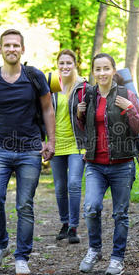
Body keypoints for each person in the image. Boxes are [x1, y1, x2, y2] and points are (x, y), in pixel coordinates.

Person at [0, 29, 55, 275]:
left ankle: (22, 256)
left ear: (22, 49)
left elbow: (48, 109)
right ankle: (0, 245)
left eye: (16, 45)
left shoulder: (35, 76)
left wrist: (51, 141)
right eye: (7, 45)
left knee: (24, 205)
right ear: (0, 49)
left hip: (30, 150)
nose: (11, 49)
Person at [76, 53, 139, 275]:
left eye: (106, 68)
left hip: (122, 165)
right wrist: (79, 114)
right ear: (93, 72)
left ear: (113, 70)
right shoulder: (89, 95)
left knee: (120, 214)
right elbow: (84, 128)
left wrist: (130, 109)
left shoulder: (127, 94)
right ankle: (94, 250)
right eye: (98, 69)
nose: (102, 73)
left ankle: (117, 259)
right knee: (91, 208)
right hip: (95, 163)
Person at [51, 49, 90, 244]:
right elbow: (42, 115)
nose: (65, 66)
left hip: (77, 144)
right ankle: (65, 223)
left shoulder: (83, 87)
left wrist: (81, 113)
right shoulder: (51, 86)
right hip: (56, 145)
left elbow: (91, 118)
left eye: (69, 63)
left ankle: (74, 227)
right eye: (62, 63)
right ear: (57, 65)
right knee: (59, 187)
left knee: (74, 184)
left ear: (75, 65)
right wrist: (44, 140)